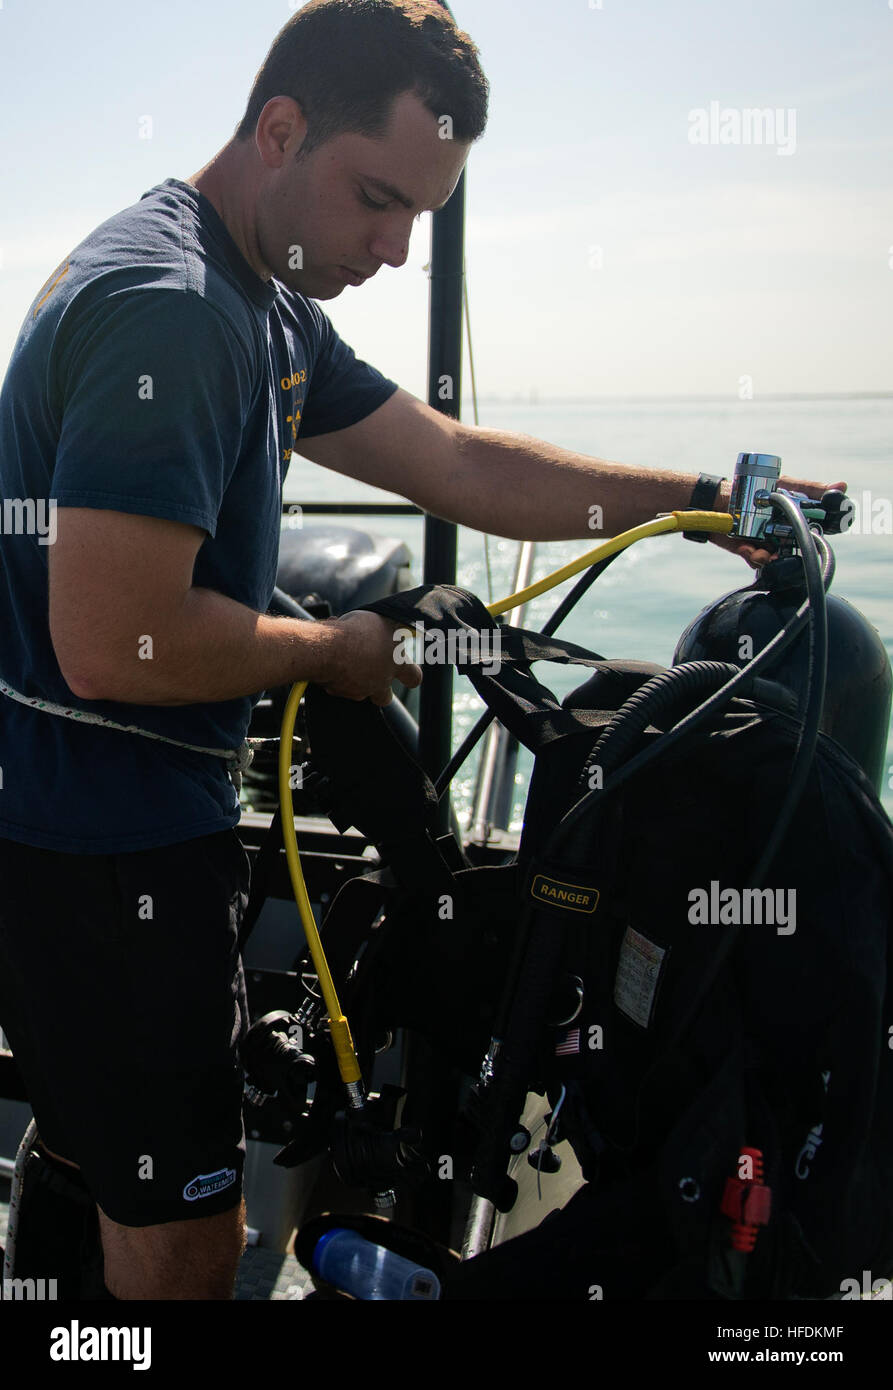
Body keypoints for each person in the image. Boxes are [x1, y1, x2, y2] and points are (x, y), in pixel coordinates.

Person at [0, 0, 841, 1300]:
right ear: (278, 129)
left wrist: (700, 495)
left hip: (120, 843)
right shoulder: (172, 310)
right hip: (100, 860)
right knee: (182, 1250)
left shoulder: (262, 293)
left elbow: (452, 460)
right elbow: (115, 641)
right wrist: (335, 650)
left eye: (419, 219)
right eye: (375, 201)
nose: (392, 249)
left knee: (85, 1155)